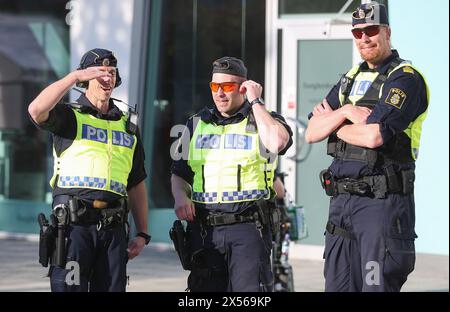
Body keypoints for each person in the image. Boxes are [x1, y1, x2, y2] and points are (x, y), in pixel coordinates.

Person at [305, 1, 429, 292]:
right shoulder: (350, 79)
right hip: (341, 203)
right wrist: (346, 113)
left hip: (381, 204)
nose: (364, 38)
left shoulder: (405, 79)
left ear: (386, 32)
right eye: (357, 33)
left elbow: (375, 137)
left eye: (371, 30)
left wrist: (334, 125)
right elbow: (311, 132)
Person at [28, 48, 151, 292]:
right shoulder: (69, 116)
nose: (107, 78)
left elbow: (136, 181)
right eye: (100, 73)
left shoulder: (128, 124)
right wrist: (73, 76)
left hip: (114, 229)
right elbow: (36, 110)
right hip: (74, 229)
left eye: (111, 72)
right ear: (85, 79)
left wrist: (143, 233)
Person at [171, 56, 293, 292]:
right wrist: (180, 196)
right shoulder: (195, 124)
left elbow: (277, 142)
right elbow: (179, 174)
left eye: (226, 87)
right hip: (205, 231)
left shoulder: (264, 120)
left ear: (243, 87)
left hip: (248, 229)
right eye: (215, 87)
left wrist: (256, 101)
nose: (220, 94)